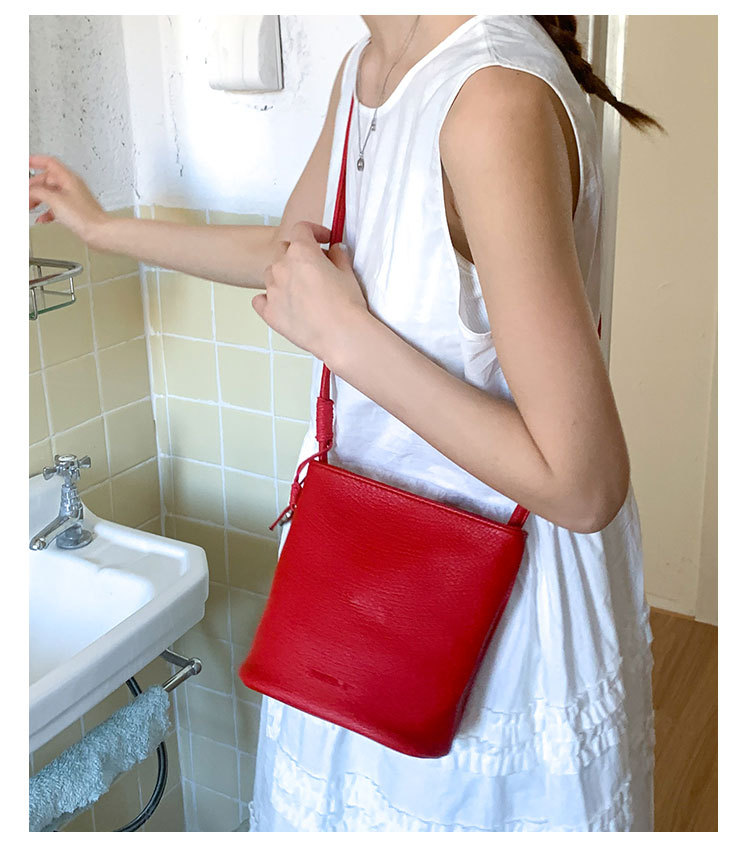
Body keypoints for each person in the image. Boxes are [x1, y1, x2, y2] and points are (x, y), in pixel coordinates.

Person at [29, 14, 665, 832]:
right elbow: (290, 257)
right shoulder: (367, 67)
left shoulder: (490, 101)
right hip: (371, 587)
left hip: (495, 621)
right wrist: (103, 228)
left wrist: (346, 338)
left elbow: (584, 484)